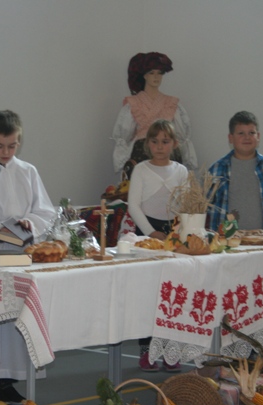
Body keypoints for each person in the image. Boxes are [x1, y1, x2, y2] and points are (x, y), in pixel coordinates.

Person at [0, 110, 56, 405]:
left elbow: (45, 211)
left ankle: (8, 380)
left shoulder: (28, 171)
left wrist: (29, 222)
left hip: (22, 254)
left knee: (15, 317)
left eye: (12, 146)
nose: (6, 152)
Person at [127, 119, 187, 372]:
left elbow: (185, 206)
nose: (160, 146)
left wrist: (177, 233)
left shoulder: (181, 171)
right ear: (148, 144)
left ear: (174, 144)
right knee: (148, 295)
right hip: (147, 236)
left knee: (173, 293)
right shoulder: (141, 170)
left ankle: (171, 349)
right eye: (154, 141)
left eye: (165, 141)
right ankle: (147, 349)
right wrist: (151, 233)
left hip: (173, 235)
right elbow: (133, 205)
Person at [112, 52, 197, 178]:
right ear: (144, 75)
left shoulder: (171, 103)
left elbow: (182, 138)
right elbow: (123, 138)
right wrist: (122, 163)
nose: (156, 77)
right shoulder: (134, 104)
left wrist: (188, 161)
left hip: (169, 156)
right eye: (151, 73)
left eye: (159, 73)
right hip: (141, 154)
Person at [206, 111, 263, 231]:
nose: (247, 137)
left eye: (251, 133)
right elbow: (205, 207)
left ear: (258, 136)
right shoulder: (216, 170)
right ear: (230, 138)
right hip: (226, 238)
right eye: (241, 133)